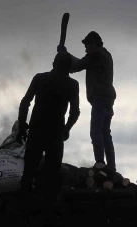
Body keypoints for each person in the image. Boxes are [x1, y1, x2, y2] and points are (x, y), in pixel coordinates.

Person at [16, 52, 80, 203]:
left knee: (28, 171)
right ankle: (48, 211)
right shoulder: (72, 85)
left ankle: (22, 207)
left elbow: (25, 102)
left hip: (36, 130)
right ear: (69, 68)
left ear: (53, 64)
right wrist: (67, 128)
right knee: (52, 175)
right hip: (56, 134)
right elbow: (75, 112)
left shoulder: (40, 78)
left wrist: (22, 124)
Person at [58, 31, 117, 172]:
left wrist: (64, 54)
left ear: (94, 44)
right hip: (108, 97)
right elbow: (80, 64)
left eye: (87, 45)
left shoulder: (95, 55)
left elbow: (78, 65)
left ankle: (100, 163)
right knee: (105, 132)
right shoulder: (105, 54)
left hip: (100, 98)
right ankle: (111, 166)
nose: (86, 49)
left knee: (96, 130)